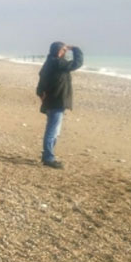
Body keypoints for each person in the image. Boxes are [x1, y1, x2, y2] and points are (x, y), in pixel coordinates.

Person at [35, 41, 83, 169]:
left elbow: (41, 81)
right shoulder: (57, 63)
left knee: (54, 131)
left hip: (53, 101)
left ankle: (48, 155)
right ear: (58, 51)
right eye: (63, 50)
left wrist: (41, 95)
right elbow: (77, 63)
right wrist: (76, 49)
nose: (65, 53)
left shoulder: (49, 63)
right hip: (56, 101)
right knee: (52, 131)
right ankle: (48, 157)